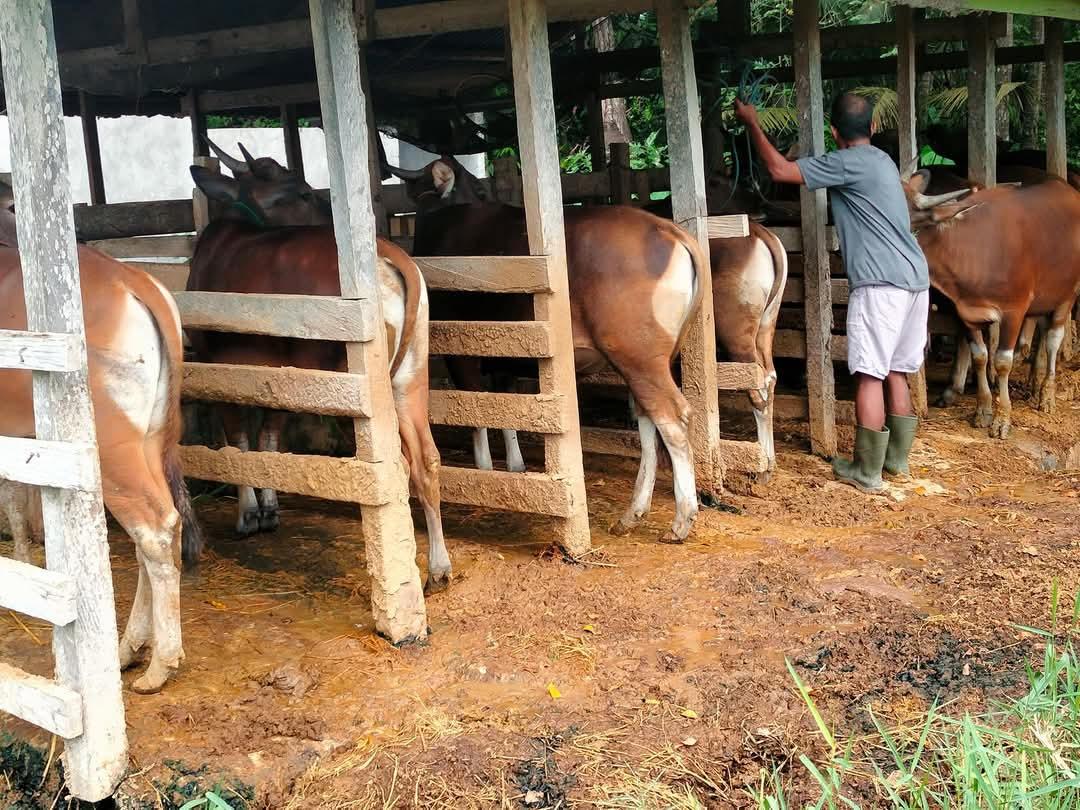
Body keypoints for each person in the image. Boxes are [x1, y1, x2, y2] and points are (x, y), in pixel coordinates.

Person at [733, 92, 928, 492]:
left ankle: (867, 472)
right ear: (873, 128)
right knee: (895, 371)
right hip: (914, 279)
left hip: (880, 285)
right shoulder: (882, 161)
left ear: (834, 132)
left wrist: (752, 122)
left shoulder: (846, 162)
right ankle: (897, 463)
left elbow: (778, 170)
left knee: (869, 374)